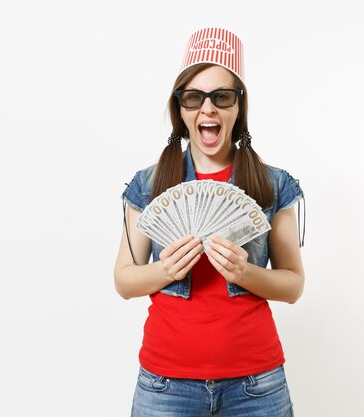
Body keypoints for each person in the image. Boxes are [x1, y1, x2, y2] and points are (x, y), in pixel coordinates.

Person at [114, 27, 306, 417]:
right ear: (180, 109)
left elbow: (292, 285)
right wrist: (166, 269)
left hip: (257, 386)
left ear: (238, 106)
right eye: (193, 98)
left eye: (221, 96)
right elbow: (124, 280)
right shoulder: (148, 184)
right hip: (164, 386)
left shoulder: (272, 184)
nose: (208, 109)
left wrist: (245, 271)